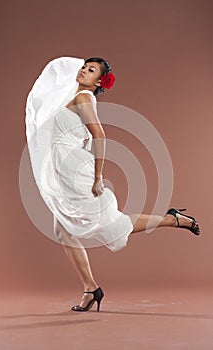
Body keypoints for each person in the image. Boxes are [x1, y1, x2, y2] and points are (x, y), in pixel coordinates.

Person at [25, 56, 200, 313]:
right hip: (61, 170)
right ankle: (90, 288)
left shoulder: (85, 97)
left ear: (99, 82)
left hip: (75, 171)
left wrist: (97, 177)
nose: (84, 71)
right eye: (84, 67)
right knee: (64, 232)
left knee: (112, 224)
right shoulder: (70, 96)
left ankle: (173, 219)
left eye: (91, 70)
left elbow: (99, 134)